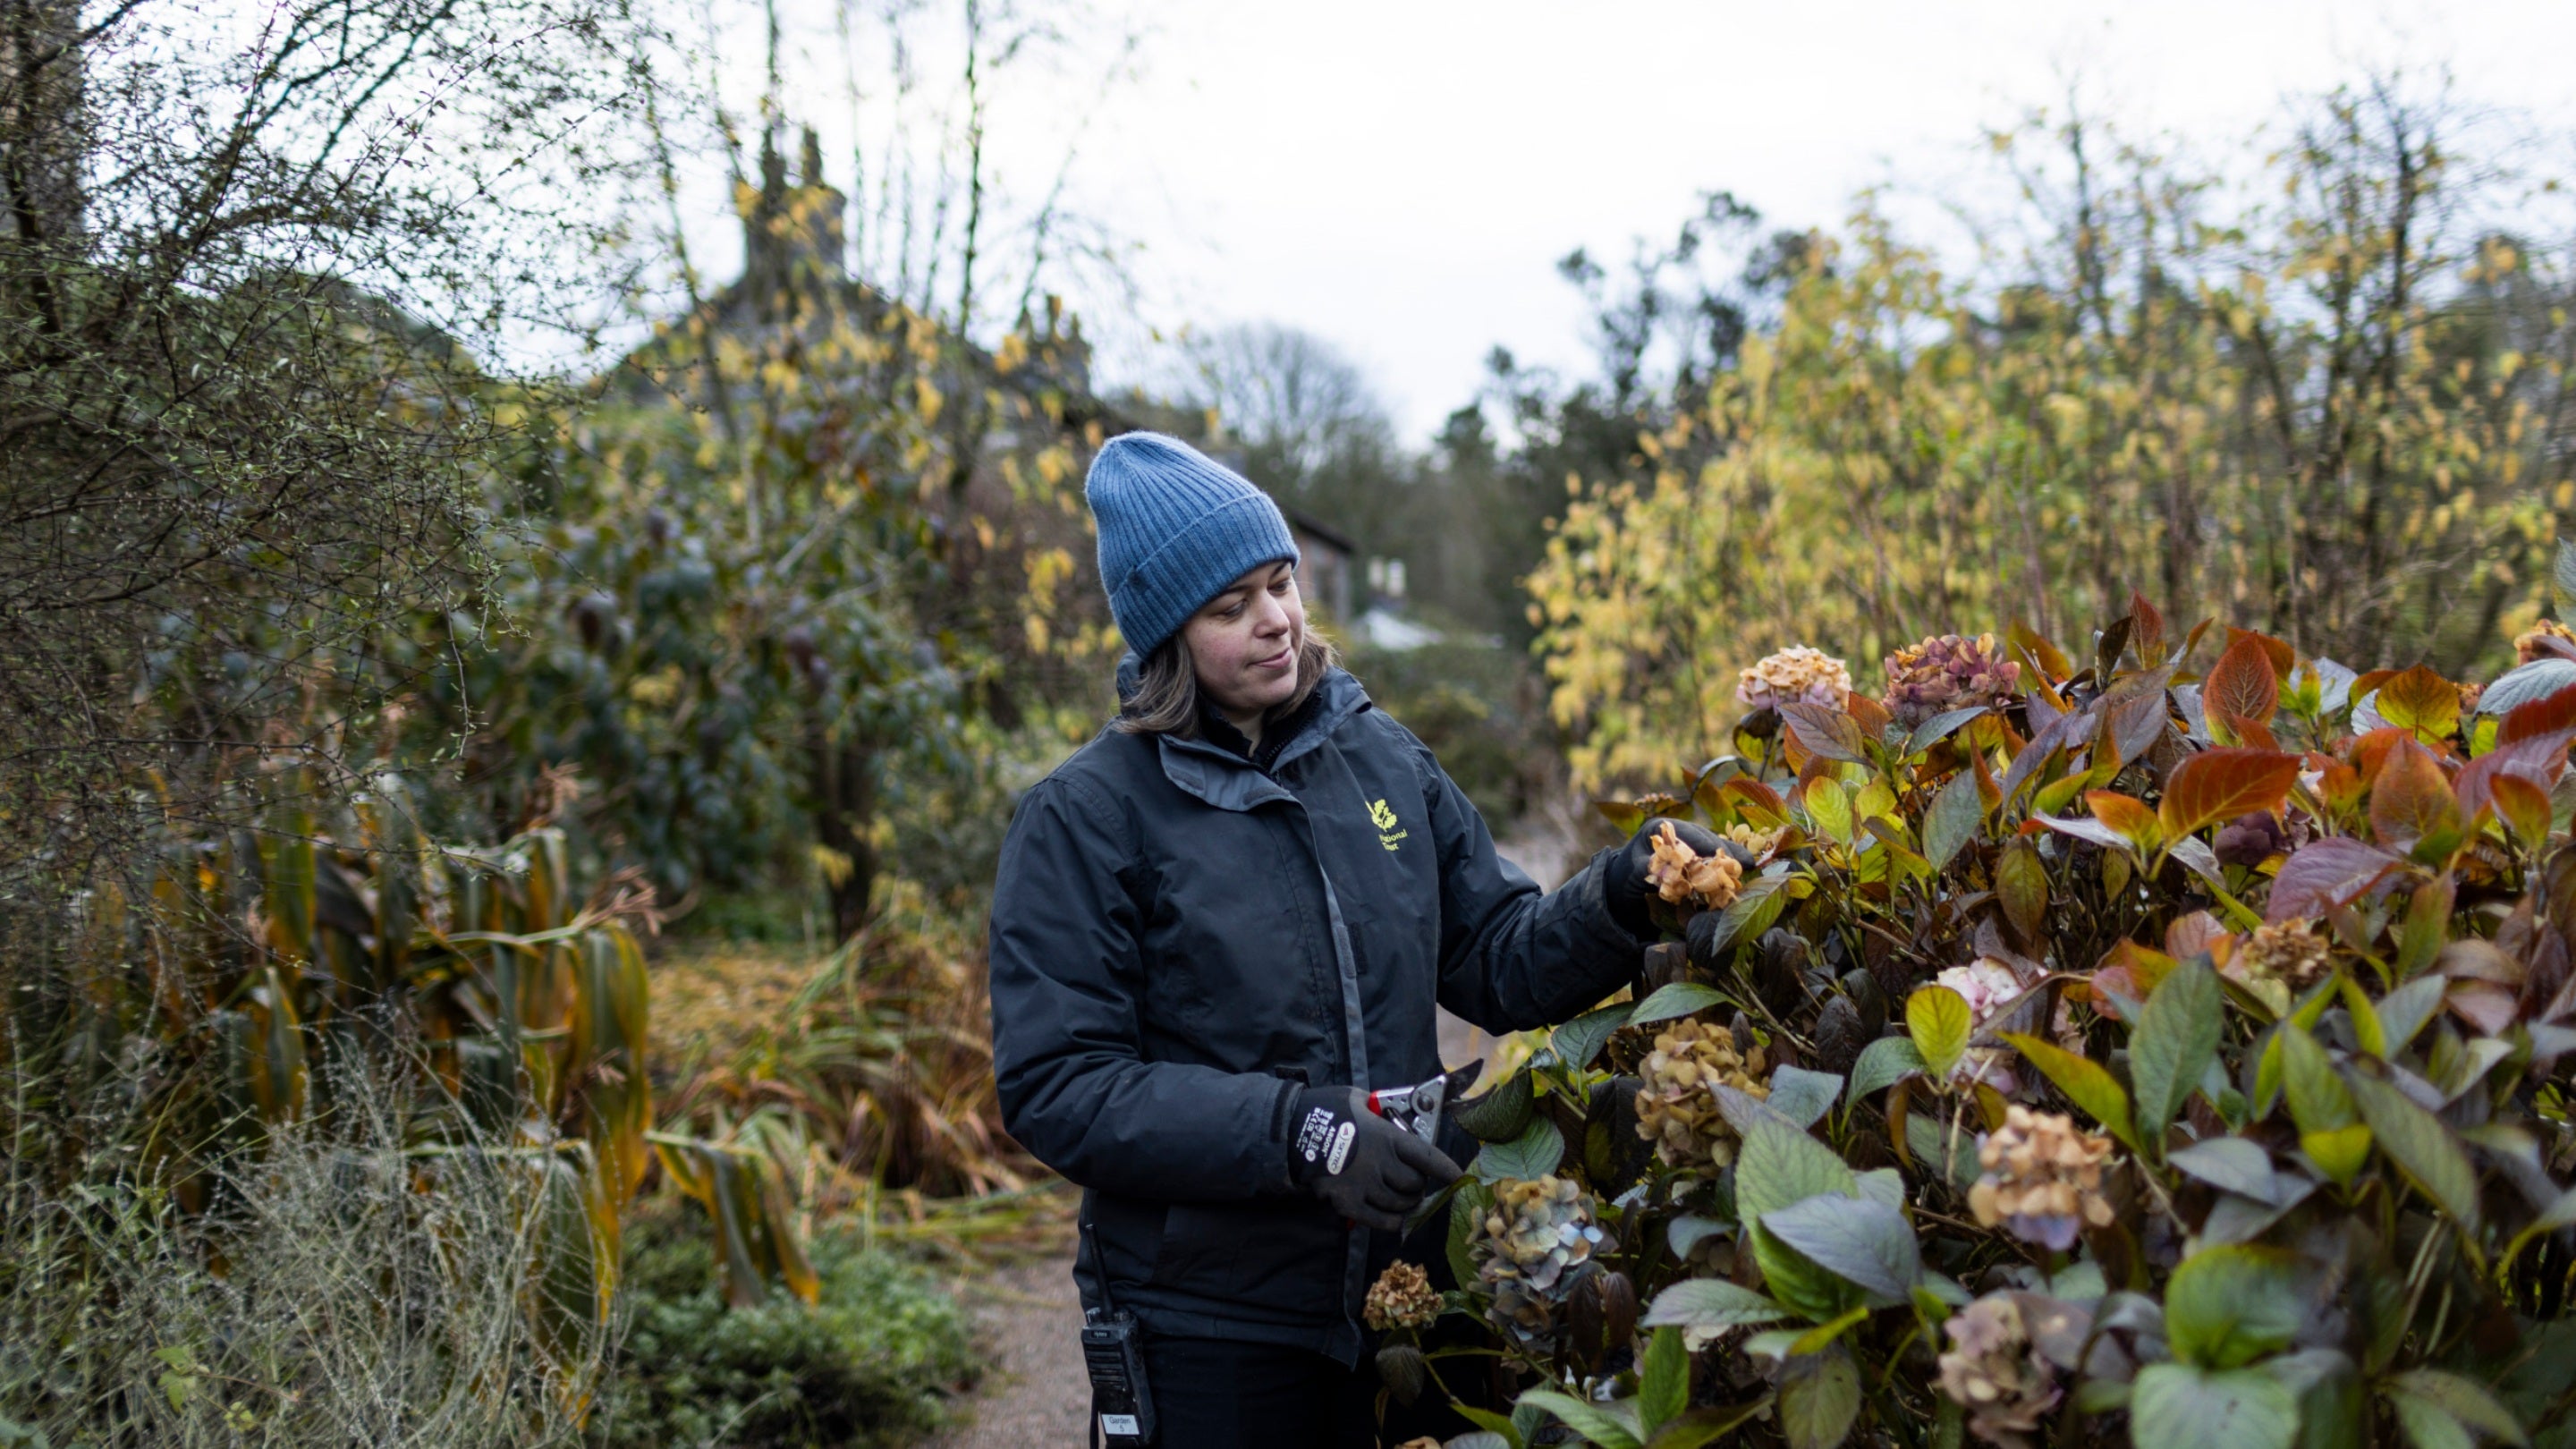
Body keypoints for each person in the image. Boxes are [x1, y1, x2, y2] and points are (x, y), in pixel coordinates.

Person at [987, 433, 1718, 1448]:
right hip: (1208, 1325)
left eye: (1280, 584)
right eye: (1230, 607)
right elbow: (1061, 1083)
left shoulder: (1379, 757)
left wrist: (1624, 896)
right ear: (1165, 637)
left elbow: (1496, 957)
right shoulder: (1086, 817)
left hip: (1405, 1299)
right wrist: (1299, 1131)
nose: (1276, 620)